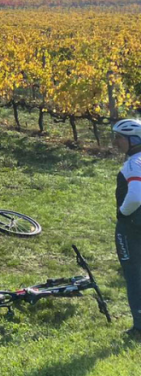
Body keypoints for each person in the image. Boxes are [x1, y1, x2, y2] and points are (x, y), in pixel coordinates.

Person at [113, 118, 141, 341]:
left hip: (130, 228)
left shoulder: (134, 163)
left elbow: (135, 195)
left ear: (133, 140)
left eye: (119, 137)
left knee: (133, 276)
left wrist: (122, 213)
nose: (115, 142)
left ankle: (139, 328)